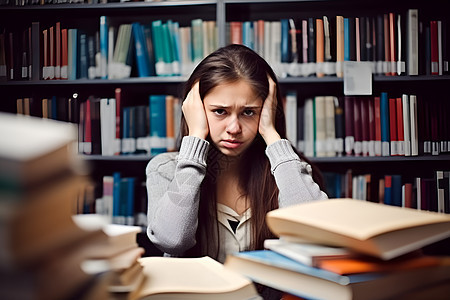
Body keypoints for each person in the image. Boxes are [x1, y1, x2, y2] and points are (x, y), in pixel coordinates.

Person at [146, 44, 328, 265]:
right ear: (195, 110)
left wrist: (271, 134)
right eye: (220, 111)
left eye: (249, 112)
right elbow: (172, 240)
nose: (234, 128)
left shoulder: (290, 171)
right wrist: (195, 137)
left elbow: (313, 232)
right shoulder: (165, 169)